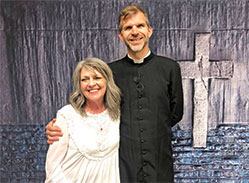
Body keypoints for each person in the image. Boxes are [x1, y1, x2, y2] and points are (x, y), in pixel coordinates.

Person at [46, 5, 183, 183]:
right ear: (121, 35)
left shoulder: (169, 68)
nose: (134, 32)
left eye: (140, 26)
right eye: (128, 28)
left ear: (149, 31)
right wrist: (59, 125)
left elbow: (175, 113)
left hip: (159, 161)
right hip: (122, 166)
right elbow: (94, 108)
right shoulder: (110, 72)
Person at [45, 58, 121, 183]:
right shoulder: (67, 116)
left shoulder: (118, 113)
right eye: (84, 79)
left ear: (107, 81)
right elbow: (53, 167)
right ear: (79, 85)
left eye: (97, 78)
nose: (91, 84)